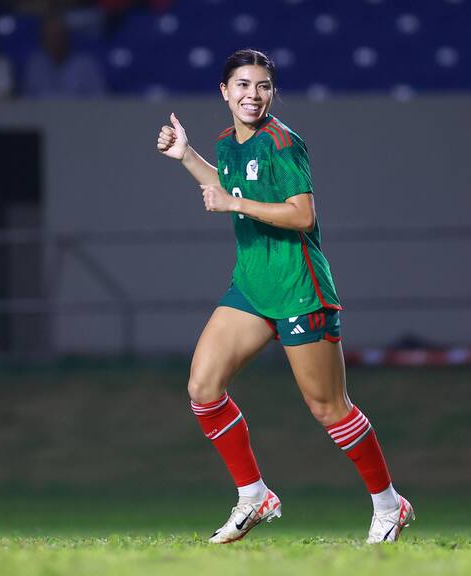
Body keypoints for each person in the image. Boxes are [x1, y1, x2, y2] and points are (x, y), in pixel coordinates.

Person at [156, 48, 414, 544]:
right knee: (202, 390)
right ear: (225, 92)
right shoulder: (228, 144)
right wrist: (187, 157)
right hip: (252, 288)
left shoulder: (283, 143)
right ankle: (254, 496)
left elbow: (302, 216)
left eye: (263, 87)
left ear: (272, 93)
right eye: (243, 86)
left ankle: (389, 504)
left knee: (329, 408)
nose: (253, 96)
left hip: (299, 289)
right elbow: (229, 188)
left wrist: (234, 202)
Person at [22, 12, 106, 98]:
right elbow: (28, 101)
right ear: (42, 40)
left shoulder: (85, 64)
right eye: (51, 37)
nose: (55, 42)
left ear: (67, 37)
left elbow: (99, 99)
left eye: (59, 36)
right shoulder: (35, 64)